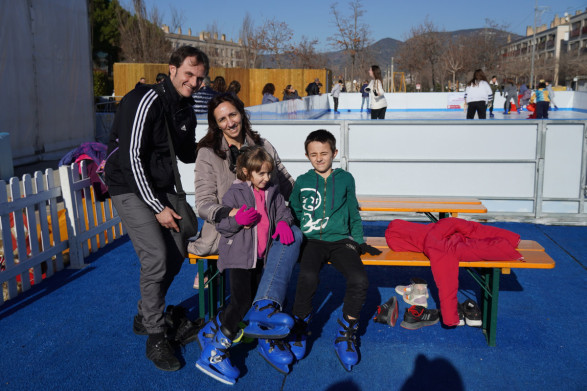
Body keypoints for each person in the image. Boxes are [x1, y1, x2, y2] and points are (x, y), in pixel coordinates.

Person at [104, 46, 209, 372]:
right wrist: (156, 207)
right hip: (127, 185)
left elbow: (188, 153)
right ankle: (154, 335)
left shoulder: (185, 108)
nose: (193, 82)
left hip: (160, 186)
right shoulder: (145, 99)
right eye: (189, 74)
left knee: (181, 245)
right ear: (172, 69)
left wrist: (220, 138)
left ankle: (144, 313)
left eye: (199, 78)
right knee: (156, 257)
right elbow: (130, 157)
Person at [188, 93, 303, 377]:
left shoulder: (262, 146)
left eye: (233, 115)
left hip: (265, 231)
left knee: (291, 243)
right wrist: (231, 215)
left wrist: (310, 203)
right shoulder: (208, 153)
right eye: (222, 119)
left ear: (242, 113)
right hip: (230, 233)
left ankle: (265, 331)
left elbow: (285, 183)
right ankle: (235, 335)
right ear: (215, 125)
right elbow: (203, 203)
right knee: (244, 293)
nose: (230, 122)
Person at [196, 146, 297, 384]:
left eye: (268, 173)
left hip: (262, 257)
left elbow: (284, 211)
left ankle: (214, 328)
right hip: (239, 258)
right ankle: (215, 351)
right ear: (245, 172)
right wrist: (236, 220)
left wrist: (284, 223)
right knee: (241, 302)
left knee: (253, 300)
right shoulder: (235, 192)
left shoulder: (273, 190)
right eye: (260, 173)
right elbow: (222, 226)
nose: (266, 178)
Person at [287, 129, 381, 371]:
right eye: (313, 154)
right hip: (311, 241)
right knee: (307, 276)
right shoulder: (302, 181)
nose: (319, 158)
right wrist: (293, 235)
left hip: (340, 241)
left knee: (359, 280)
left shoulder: (346, 178)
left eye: (324, 153)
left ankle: (347, 331)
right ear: (307, 155)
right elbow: (294, 212)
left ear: (335, 153)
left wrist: (358, 240)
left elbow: (353, 212)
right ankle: (300, 325)